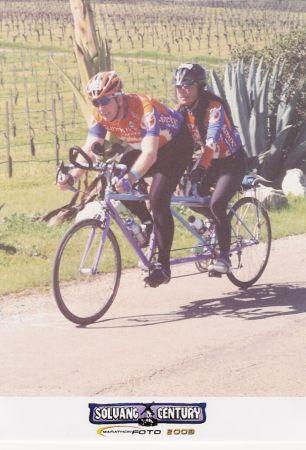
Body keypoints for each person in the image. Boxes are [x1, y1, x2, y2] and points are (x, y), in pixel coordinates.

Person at [58, 70, 193, 288]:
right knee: (116, 181)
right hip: (146, 146)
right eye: (95, 101)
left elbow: (150, 155)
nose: (100, 106)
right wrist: (72, 176)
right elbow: (90, 149)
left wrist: (132, 177)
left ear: (119, 97)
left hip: (176, 147)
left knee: (157, 198)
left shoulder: (144, 107)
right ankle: (149, 224)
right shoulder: (100, 114)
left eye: (105, 100)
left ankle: (163, 266)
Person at [173, 63, 246, 274]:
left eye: (188, 86)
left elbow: (212, 140)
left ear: (200, 87)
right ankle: (218, 225)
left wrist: (201, 166)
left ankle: (224, 258)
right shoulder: (182, 111)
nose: (182, 91)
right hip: (211, 162)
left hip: (232, 162)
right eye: (178, 87)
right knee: (190, 197)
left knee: (217, 204)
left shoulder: (214, 107)